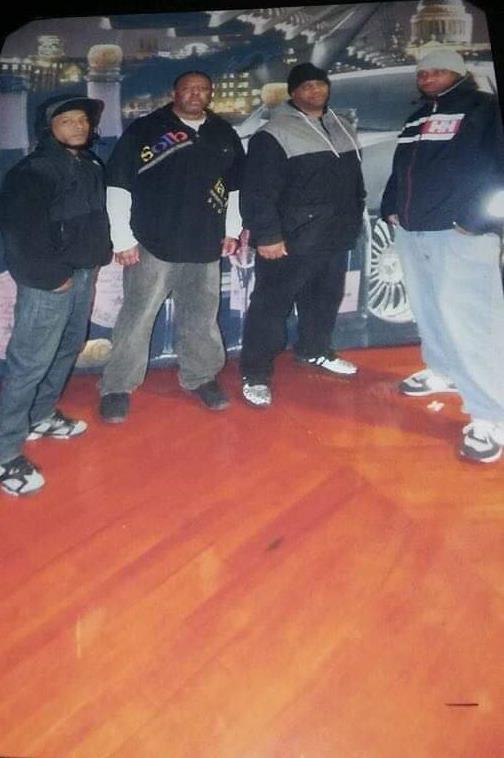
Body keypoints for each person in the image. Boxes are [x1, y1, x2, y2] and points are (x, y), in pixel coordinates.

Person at [99, 71, 245, 422]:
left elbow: (236, 187)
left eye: (203, 89)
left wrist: (232, 230)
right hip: (152, 242)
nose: (196, 94)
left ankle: (201, 376)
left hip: (205, 243)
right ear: (174, 92)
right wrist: (122, 238)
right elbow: (118, 184)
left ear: (211, 94)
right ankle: (117, 387)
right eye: (188, 89)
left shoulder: (222, 132)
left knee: (201, 317)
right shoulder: (146, 129)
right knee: (136, 318)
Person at [381, 48, 504, 463]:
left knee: (474, 323)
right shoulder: (417, 117)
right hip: (414, 230)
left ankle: (492, 415)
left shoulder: (484, 109)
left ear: (458, 72)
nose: (428, 77)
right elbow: (402, 168)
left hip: (460, 233)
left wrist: (479, 220)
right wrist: (391, 207)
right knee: (429, 310)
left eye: (437, 70)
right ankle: (443, 371)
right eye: (422, 72)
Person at [0, 94, 112, 496]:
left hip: (82, 272)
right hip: (49, 280)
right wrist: (50, 278)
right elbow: (20, 235)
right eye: (67, 121)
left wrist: (96, 259)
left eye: (82, 120)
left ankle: (39, 414)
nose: (78, 126)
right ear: (48, 128)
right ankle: (5, 450)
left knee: (68, 347)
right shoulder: (32, 172)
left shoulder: (89, 164)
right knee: (30, 362)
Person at [238, 62, 365, 408]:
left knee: (324, 299)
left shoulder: (342, 125)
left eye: (320, 84)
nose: (315, 90)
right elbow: (257, 191)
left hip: (334, 235)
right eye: (306, 86)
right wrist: (267, 236)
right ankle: (255, 374)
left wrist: (353, 218)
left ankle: (314, 350)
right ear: (293, 93)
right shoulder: (273, 133)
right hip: (290, 238)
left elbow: (354, 181)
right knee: (271, 306)